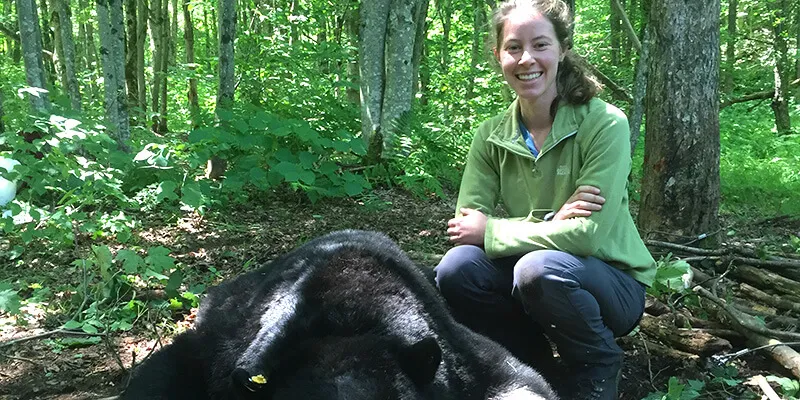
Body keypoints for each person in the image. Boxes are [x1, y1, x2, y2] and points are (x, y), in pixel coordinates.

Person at [433, 1, 656, 399]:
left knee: (538, 268)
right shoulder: (490, 134)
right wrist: (555, 221)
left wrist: (499, 230)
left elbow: (586, 237)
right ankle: (528, 362)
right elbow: (467, 228)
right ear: (498, 55)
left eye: (540, 45)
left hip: (613, 284)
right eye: (513, 47)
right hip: (536, 277)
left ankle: (597, 365)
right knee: (457, 268)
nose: (526, 59)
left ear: (563, 48)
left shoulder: (605, 123)